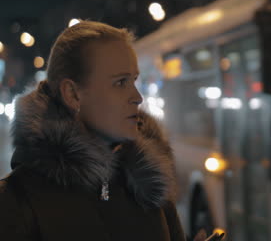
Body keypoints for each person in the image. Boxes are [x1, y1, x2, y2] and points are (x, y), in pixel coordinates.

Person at [0, 21, 186, 241]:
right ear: (73, 94)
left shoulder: (149, 184)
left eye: (134, 80)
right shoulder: (16, 202)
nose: (137, 97)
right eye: (120, 82)